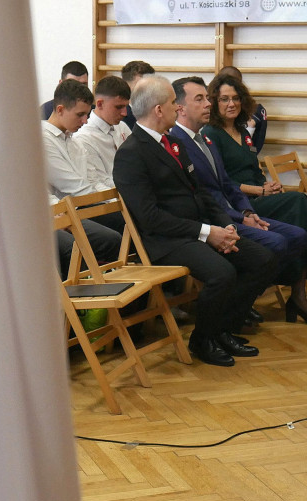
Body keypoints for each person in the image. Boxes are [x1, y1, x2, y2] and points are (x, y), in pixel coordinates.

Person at [113, 75, 278, 367]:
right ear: (158, 110)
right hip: (165, 240)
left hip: (197, 230)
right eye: (172, 103)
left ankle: (223, 329)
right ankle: (202, 340)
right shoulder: (131, 153)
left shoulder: (174, 142)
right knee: (222, 273)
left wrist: (225, 225)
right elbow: (150, 218)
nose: (178, 108)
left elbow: (200, 192)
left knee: (261, 259)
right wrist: (206, 232)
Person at [171, 76, 307, 326]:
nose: (209, 104)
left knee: (298, 235)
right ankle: (237, 306)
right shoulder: (178, 142)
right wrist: (239, 216)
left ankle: (247, 298)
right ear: (179, 107)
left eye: (207, 98)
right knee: (277, 241)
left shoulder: (205, 139)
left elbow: (226, 184)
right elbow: (203, 196)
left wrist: (246, 212)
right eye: (200, 99)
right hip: (212, 221)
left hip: (237, 209)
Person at [202, 72, 307, 287]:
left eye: (236, 98)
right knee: (298, 201)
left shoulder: (242, 131)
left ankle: (300, 294)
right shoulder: (210, 134)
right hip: (241, 206)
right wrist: (259, 191)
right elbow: (222, 182)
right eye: (224, 99)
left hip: (259, 197)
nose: (232, 104)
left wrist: (267, 184)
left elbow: (254, 169)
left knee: (299, 223)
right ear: (214, 102)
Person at [42, 79, 125, 234]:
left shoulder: (74, 141)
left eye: (86, 114)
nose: (85, 121)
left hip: (82, 205)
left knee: (133, 219)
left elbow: (93, 181)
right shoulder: (43, 139)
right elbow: (74, 187)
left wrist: (117, 200)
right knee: (120, 230)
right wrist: (116, 203)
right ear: (60, 110)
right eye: (80, 115)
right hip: (64, 212)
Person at [73, 75, 131, 191]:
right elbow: (99, 183)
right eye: (119, 107)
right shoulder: (84, 138)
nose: (125, 113)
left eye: (126, 106)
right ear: (99, 104)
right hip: (113, 197)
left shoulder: (122, 126)